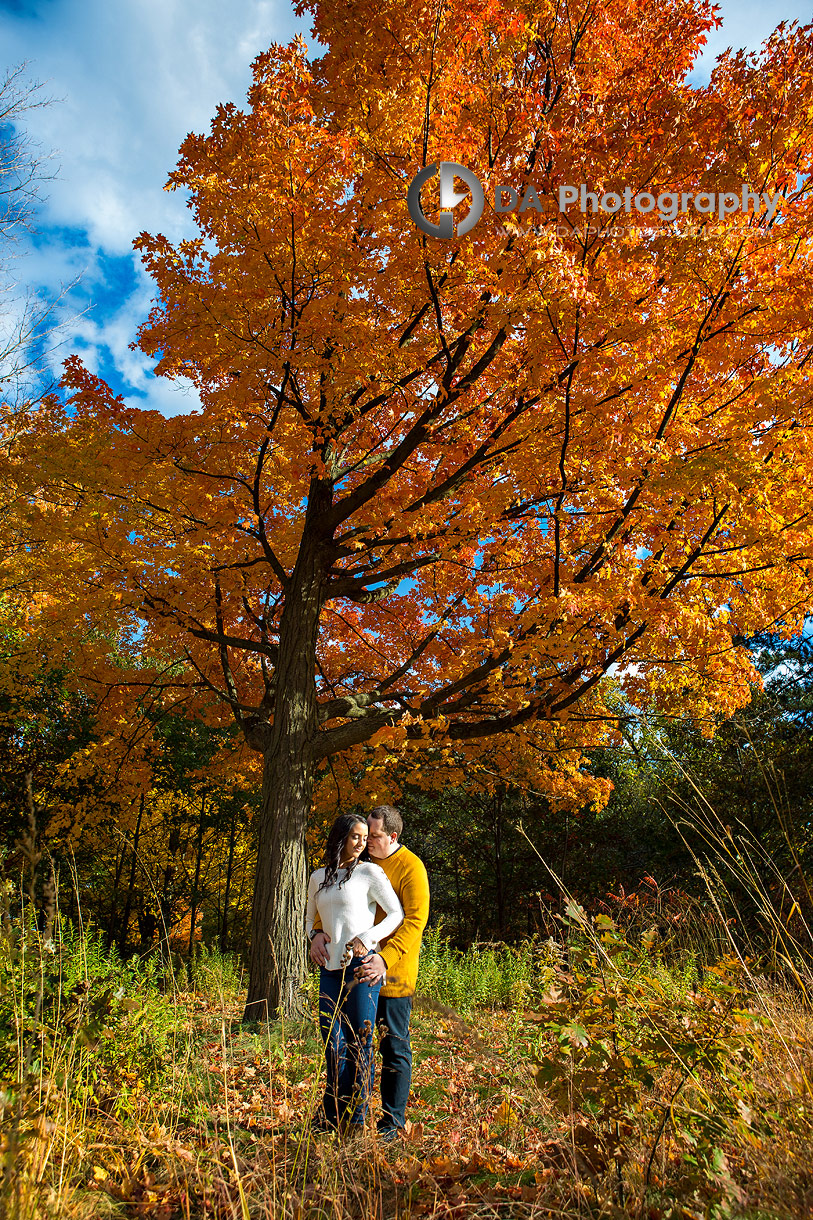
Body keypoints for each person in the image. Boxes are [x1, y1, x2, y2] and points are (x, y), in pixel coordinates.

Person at [310, 805, 430, 1141]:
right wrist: (317, 932)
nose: (367, 842)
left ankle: (391, 1123)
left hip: (393, 972)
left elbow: (414, 921)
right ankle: (339, 1111)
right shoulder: (364, 865)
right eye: (365, 836)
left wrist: (385, 958)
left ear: (392, 836)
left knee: (393, 1047)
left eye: (374, 836)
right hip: (355, 970)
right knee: (346, 1042)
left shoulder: (410, 868)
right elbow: (336, 903)